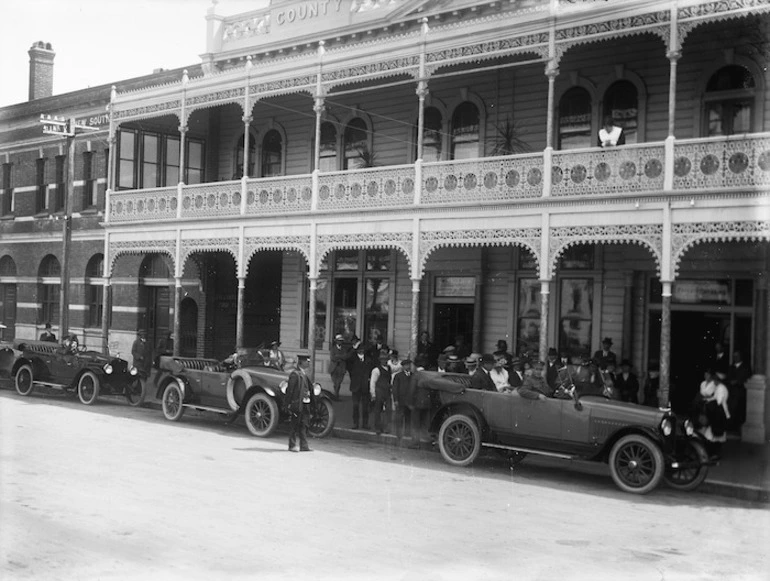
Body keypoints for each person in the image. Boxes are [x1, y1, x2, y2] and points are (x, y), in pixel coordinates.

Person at [286, 355, 313, 452]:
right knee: (294, 424)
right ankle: (292, 445)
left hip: (306, 403)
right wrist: (288, 403)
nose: (309, 363)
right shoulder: (295, 374)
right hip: (297, 403)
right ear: (301, 362)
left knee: (304, 424)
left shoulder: (303, 373)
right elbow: (290, 390)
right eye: (307, 361)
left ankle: (304, 445)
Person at [348, 342, 372, 430]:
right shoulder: (353, 359)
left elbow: (370, 372)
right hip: (355, 386)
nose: (361, 351)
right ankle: (355, 423)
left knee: (365, 406)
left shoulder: (368, 360)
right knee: (355, 406)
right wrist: (353, 349)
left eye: (363, 349)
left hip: (365, 386)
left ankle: (365, 423)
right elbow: (347, 359)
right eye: (359, 349)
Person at [409, 356, 432, 448]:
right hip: (427, 402)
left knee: (415, 423)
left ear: (415, 365)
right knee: (426, 423)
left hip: (417, 403)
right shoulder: (428, 374)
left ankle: (415, 442)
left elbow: (412, 390)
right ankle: (428, 442)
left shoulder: (416, 375)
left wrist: (410, 402)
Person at [369, 349, 392, 435]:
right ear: (380, 360)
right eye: (383, 359)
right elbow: (372, 382)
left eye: (386, 359)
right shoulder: (376, 370)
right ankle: (377, 428)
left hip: (387, 391)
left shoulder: (389, 368)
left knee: (388, 410)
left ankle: (385, 427)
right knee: (378, 410)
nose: (384, 361)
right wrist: (373, 394)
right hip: (379, 392)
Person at [727, 349, 751, 430]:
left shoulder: (745, 367)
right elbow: (728, 378)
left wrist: (737, 381)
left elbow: (747, 378)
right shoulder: (731, 367)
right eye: (734, 356)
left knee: (735, 405)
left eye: (737, 356)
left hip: (740, 391)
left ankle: (734, 426)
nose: (735, 357)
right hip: (730, 391)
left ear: (740, 356)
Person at [391, 358, 414, 443]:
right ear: (403, 366)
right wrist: (395, 399)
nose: (408, 367)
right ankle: (399, 434)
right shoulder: (398, 376)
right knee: (399, 417)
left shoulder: (412, 375)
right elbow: (395, 388)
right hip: (400, 400)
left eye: (409, 365)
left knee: (408, 417)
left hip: (409, 401)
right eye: (406, 365)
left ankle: (407, 433)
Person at [329, 334, 350, 399]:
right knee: (335, 382)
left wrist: (338, 356)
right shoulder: (333, 348)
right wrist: (341, 357)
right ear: (336, 341)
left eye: (341, 341)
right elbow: (332, 358)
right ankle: (336, 394)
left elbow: (346, 357)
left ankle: (336, 395)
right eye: (339, 341)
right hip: (334, 368)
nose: (340, 342)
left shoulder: (344, 349)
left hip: (341, 368)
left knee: (339, 382)